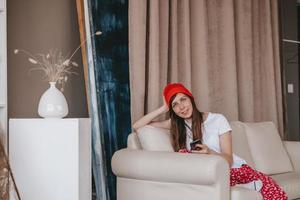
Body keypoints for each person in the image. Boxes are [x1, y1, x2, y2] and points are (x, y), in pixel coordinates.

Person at [133, 83, 287, 200]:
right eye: (175, 105)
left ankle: (253, 183)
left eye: (183, 99)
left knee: (266, 185)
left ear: (191, 99)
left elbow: (228, 159)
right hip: (203, 172)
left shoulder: (218, 120)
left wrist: (210, 152)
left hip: (230, 168)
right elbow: (137, 126)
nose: (181, 107)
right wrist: (163, 108)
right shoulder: (176, 125)